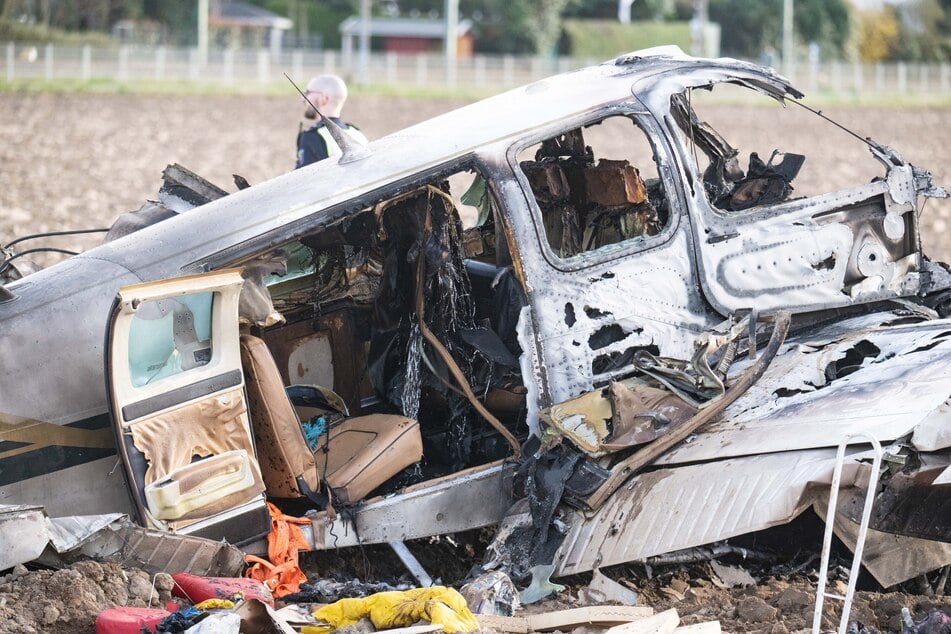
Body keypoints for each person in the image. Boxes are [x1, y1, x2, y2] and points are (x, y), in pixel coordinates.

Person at [295, 74, 368, 169]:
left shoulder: (313, 137)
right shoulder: (359, 134)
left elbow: (304, 180)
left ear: (324, 99)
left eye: (307, 92)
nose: (303, 99)